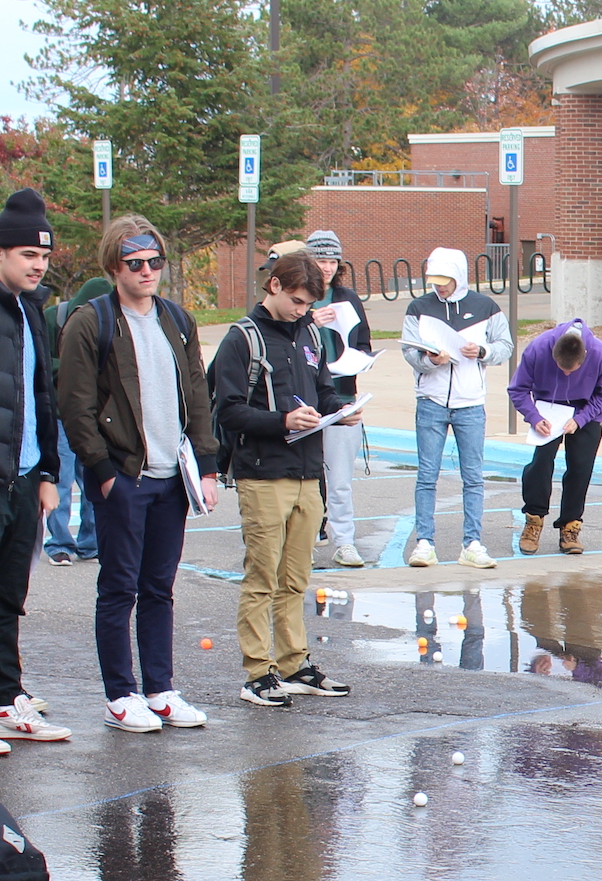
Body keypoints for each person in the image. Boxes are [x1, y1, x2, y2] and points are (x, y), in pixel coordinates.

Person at [55, 215, 220, 731]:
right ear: (113, 266)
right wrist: (103, 472)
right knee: (119, 587)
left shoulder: (177, 319)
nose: (148, 270)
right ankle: (120, 694)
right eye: (135, 263)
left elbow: (197, 393)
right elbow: (75, 406)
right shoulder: (91, 321)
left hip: (174, 479)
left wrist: (208, 465)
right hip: (124, 475)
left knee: (158, 587)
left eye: (155, 261)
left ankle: (160, 689)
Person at [209, 250, 352, 709]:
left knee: (295, 577)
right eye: (296, 300)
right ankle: (257, 671)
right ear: (273, 286)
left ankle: (295, 663)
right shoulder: (241, 339)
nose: (302, 310)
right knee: (262, 578)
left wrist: (340, 410)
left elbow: (323, 389)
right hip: (263, 473)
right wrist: (283, 421)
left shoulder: (310, 331)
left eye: (309, 303)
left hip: (309, 473)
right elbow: (228, 410)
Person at [0, 189, 69, 746]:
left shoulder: (31, 310)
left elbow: (41, 396)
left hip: (23, 479)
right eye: (27, 254)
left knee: (8, 596)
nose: (38, 264)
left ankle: (6, 700)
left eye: (43, 256)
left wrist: (46, 472)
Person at [402, 245, 511, 569]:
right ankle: (424, 543)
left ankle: (472, 544)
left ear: (459, 276)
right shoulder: (418, 307)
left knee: (473, 477)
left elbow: (505, 345)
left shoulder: (485, 306)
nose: (439, 286)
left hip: (470, 403)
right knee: (427, 474)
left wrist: (482, 351)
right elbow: (409, 350)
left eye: (445, 279)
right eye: (434, 279)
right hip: (431, 400)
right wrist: (428, 360)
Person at [509, 318, 602, 555]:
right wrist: (534, 417)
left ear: (585, 357)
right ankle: (534, 520)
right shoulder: (538, 348)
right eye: (561, 368)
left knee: (580, 467)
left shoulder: (601, 354)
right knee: (541, 463)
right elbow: (517, 389)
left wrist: (580, 419)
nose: (566, 373)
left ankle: (570, 526)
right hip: (547, 409)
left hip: (585, 411)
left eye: (572, 370)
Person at [304, 229, 373, 569]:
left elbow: (363, 342)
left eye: (333, 261)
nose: (327, 267)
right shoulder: (299, 297)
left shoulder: (347, 297)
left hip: (343, 393)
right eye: (321, 260)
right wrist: (311, 320)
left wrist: (360, 360)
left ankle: (343, 541)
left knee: (341, 477)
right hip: (304, 398)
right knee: (303, 475)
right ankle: (302, 542)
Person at [43, 272, 108, 566]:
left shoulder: (109, 323)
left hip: (94, 417)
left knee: (93, 479)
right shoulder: (51, 318)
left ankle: (90, 542)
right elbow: (38, 364)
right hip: (58, 415)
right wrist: (73, 368)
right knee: (60, 481)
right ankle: (59, 542)